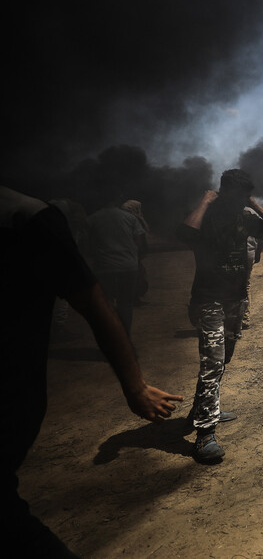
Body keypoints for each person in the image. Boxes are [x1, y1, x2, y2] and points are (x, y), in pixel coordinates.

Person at [1, 186, 182, 556]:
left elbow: (90, 275)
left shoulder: (31, 216)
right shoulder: (28, 214)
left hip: (105, 268)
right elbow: (96, 303)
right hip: (12, 396)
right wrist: (135, 387)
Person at [177, 170, 263, 463]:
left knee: (224, 359)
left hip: (234, 300)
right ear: (223, 192)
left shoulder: (245, 217)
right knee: (212, 363)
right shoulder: (206, 216)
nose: (241, 201)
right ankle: (204, 434)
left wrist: (255, 203)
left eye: (245, 196)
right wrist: (204, 202)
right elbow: (184, 234)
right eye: (238, 196)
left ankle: (203, 407)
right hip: (208, 300)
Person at [87, 196, 147, 336]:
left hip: (104, 266)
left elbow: (88, 243)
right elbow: (139, 241)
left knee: (106, 305)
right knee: (125, 304)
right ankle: (125, 337)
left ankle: (111, 339)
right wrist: (137, 257)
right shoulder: (129, 218)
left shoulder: (92, 218)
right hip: (128, 266)